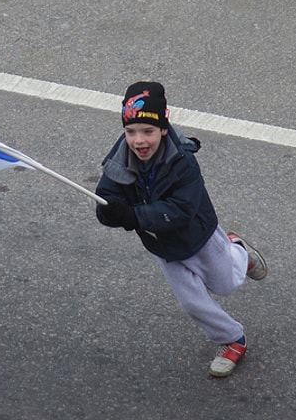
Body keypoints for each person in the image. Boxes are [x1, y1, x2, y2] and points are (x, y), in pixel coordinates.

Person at [94, 81, 267, 377]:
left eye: (147, 131)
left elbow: (182, 210)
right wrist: (109, 210)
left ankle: (239, 251)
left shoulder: (183, 161)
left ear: (163, 127)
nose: (139, 141)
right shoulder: (118, 161)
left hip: (199, 237)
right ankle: (233, 339)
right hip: (164, 247)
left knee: (226, 285)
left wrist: (133, 216)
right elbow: (108, 202)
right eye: (131, 131)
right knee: (192, 303)